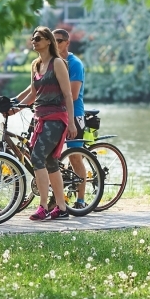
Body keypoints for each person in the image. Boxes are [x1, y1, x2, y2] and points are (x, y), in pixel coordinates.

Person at [11, 26, 76, 221]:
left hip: (56, 117)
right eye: (33, 38)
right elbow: (33, 94)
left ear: (48, 41)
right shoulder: (35, 65)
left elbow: (68, 94)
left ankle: (42, 207)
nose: (34, 41)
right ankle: (62, 207)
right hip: (39, 117)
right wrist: (16, 108)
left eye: (38, 38)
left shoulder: (58, 63)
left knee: (37, 156)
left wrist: (71, 123)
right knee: (49, 161)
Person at [53, 28, 87, 209]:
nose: (55, 44)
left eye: (59, 40)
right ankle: (56, 198)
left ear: (67, 43)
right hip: (55, 114)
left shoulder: (74, 64)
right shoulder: (51, 62)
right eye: (53, 40)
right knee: (51, 157)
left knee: (75, 157)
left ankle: (81, 200)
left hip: (75, 114)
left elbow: (73, 95)